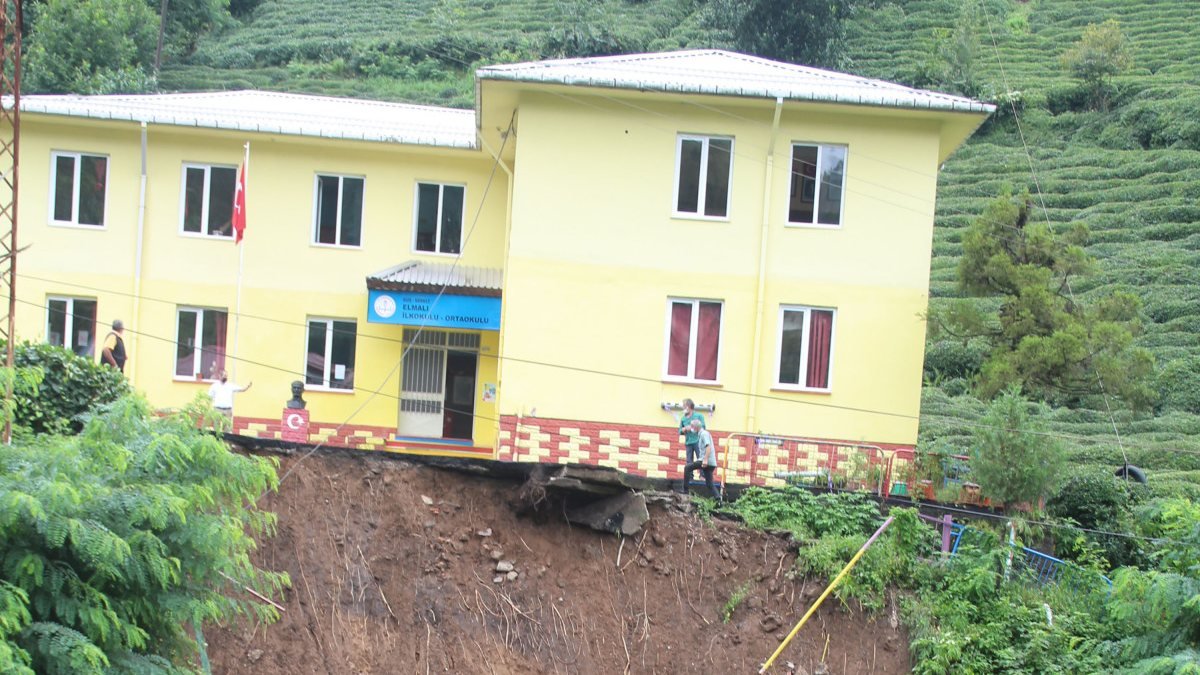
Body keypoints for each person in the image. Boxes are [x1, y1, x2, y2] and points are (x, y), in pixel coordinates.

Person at [683, 418, 722, 502]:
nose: (691, 428)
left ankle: (685, 492)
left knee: (687, 468)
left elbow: (708, 447)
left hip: (705, 461)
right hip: (711, 463)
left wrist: (705, 460)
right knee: (709, 484)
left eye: (692, 426)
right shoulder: (702, 434)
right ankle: (718, 499)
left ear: (696, 427)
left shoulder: (704, 434)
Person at [678, 398, 706, 488]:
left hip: (698, 441)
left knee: (700, 458)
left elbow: (703, 427)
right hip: (688, 442)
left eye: (684, 406)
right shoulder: (683, 419)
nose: (683, 408)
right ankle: (690, 477)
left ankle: (702, 476)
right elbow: (679, 431)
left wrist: (692, 427)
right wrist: (683, 429)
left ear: (689, 407)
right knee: (689, 460)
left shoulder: (699, 416)